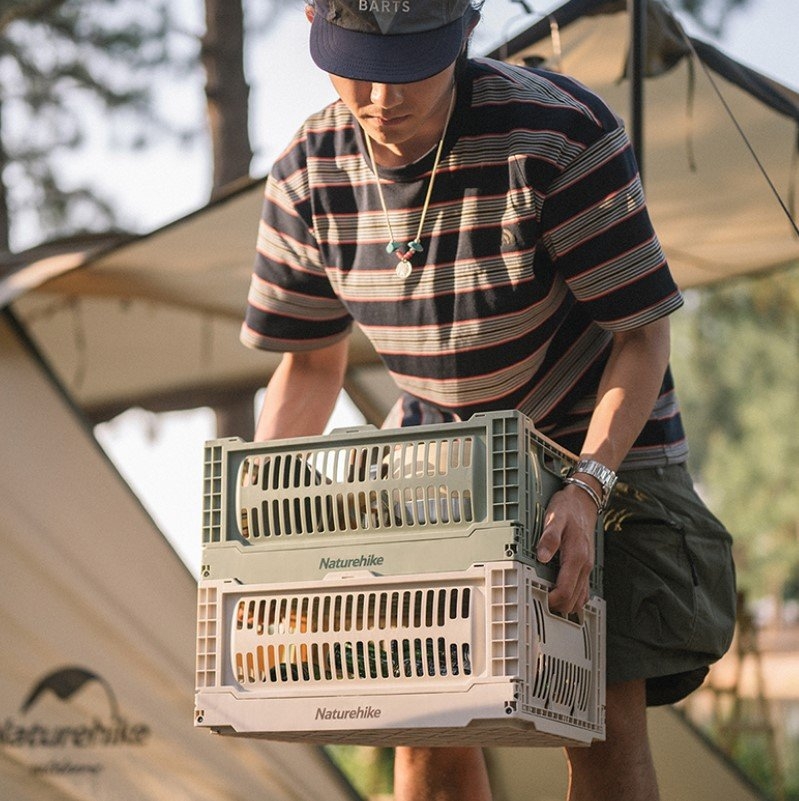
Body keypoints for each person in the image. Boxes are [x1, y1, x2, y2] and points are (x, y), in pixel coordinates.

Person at [240, 1, 737, 798]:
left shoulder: (556, 134)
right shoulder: (307, 172)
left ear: (465, 29)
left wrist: (585, 486)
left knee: (598, 723)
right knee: (425, 724)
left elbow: (641, 338)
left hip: (598, 443)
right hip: (439, 456)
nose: (380, 96)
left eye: (410, 67)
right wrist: (256, 516)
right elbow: (307, 367)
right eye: (353, 64)